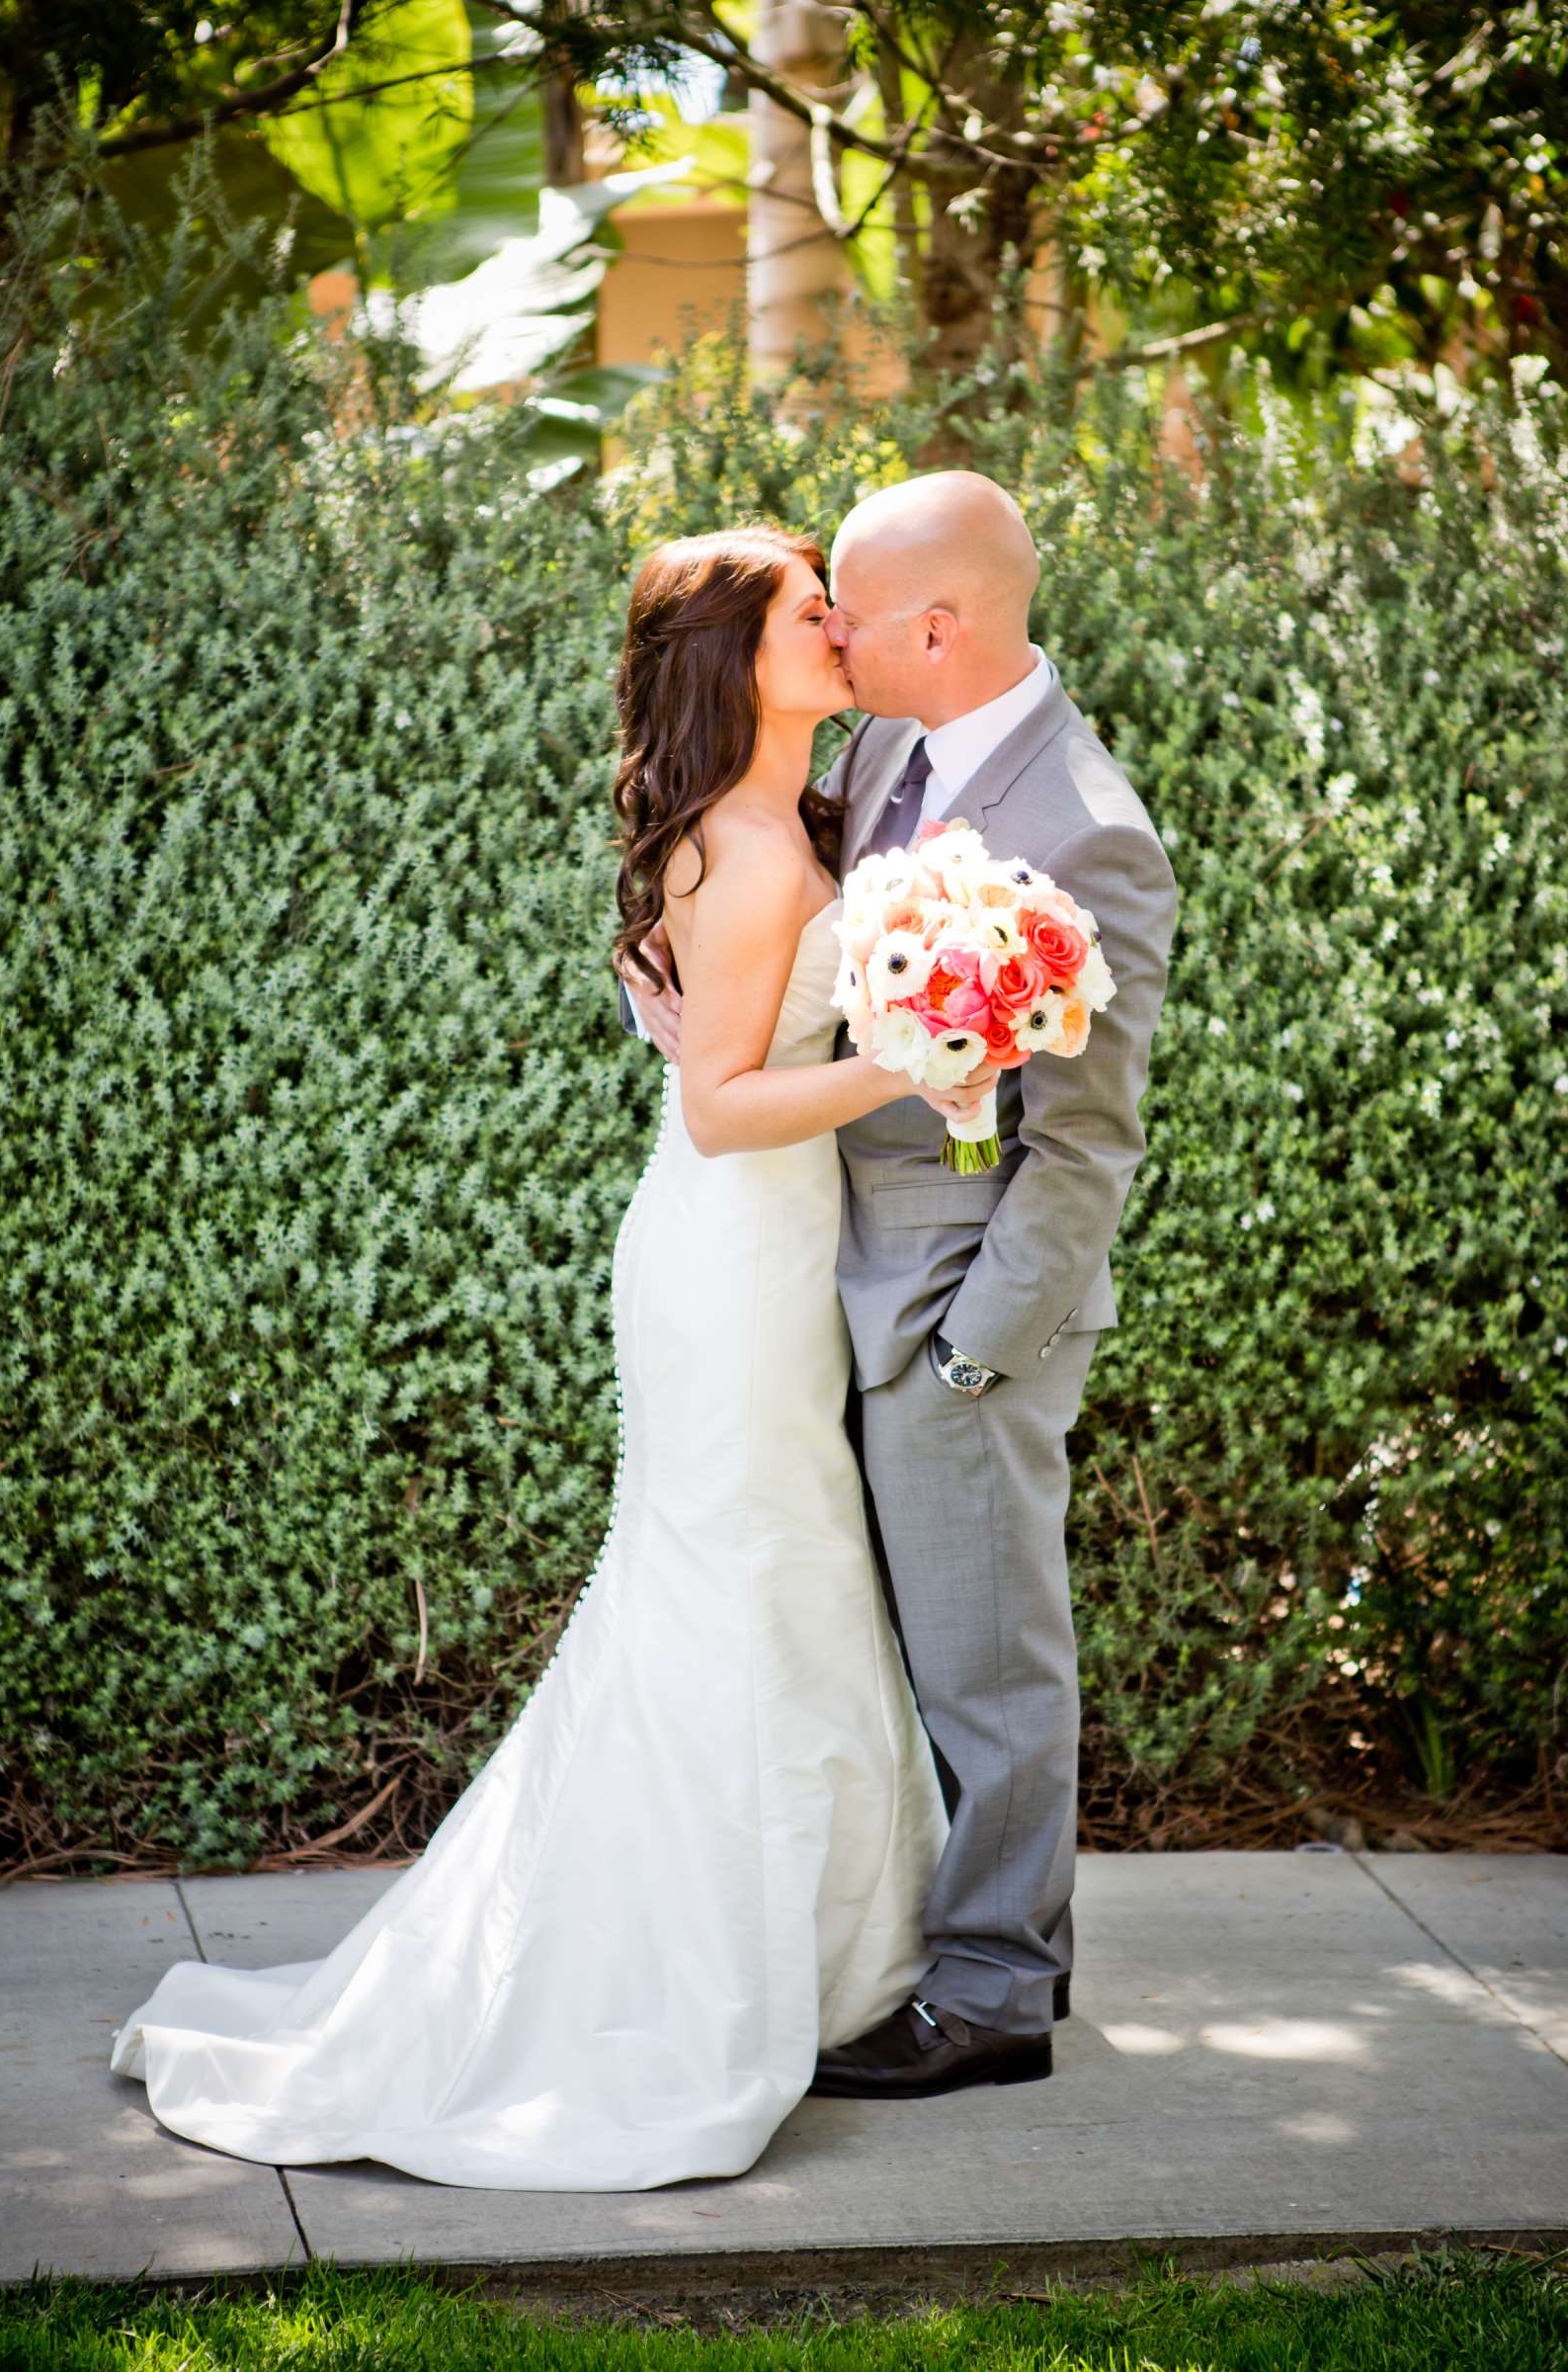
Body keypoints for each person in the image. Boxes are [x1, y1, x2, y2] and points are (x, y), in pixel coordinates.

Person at [109, 524, 998, 2189]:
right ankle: (682, 1977)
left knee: (785, 1576)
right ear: (731, 656)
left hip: (774, 1254)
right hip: (730, 1255)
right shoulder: (739, 846)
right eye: (813, 615)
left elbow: (705, 1028)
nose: (840, 631)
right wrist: (915, 1061)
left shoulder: (797, 815)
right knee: (736, 1581)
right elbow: (723, 1109)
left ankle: (807, 1957)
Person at [621, 470, 1178, 2101]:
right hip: (806, 1280)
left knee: (990, 1665)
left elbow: (1085, 1146)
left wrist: (977, 1356)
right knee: (853, 1651)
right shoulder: (871, 756)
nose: (837, 632)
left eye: (851, 608)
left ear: (935, 624)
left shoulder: (1087, 828)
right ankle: (875, 1939)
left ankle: (999, 1998)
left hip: (953, 1325)